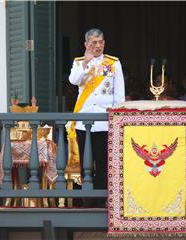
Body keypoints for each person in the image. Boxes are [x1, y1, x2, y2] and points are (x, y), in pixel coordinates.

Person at [68, 28, 125, 207]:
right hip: (83, 122)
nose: (98, 46)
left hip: (104, 122)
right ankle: (87, 200)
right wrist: (86, 62)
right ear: (86, 44)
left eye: (101, 42)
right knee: (86, 164)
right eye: (94, 42)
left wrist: (117, 119)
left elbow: (119, 96)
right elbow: (74, 80)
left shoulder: (114, 63)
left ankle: (101, 201)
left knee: (102, 162)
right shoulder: (79, 63)